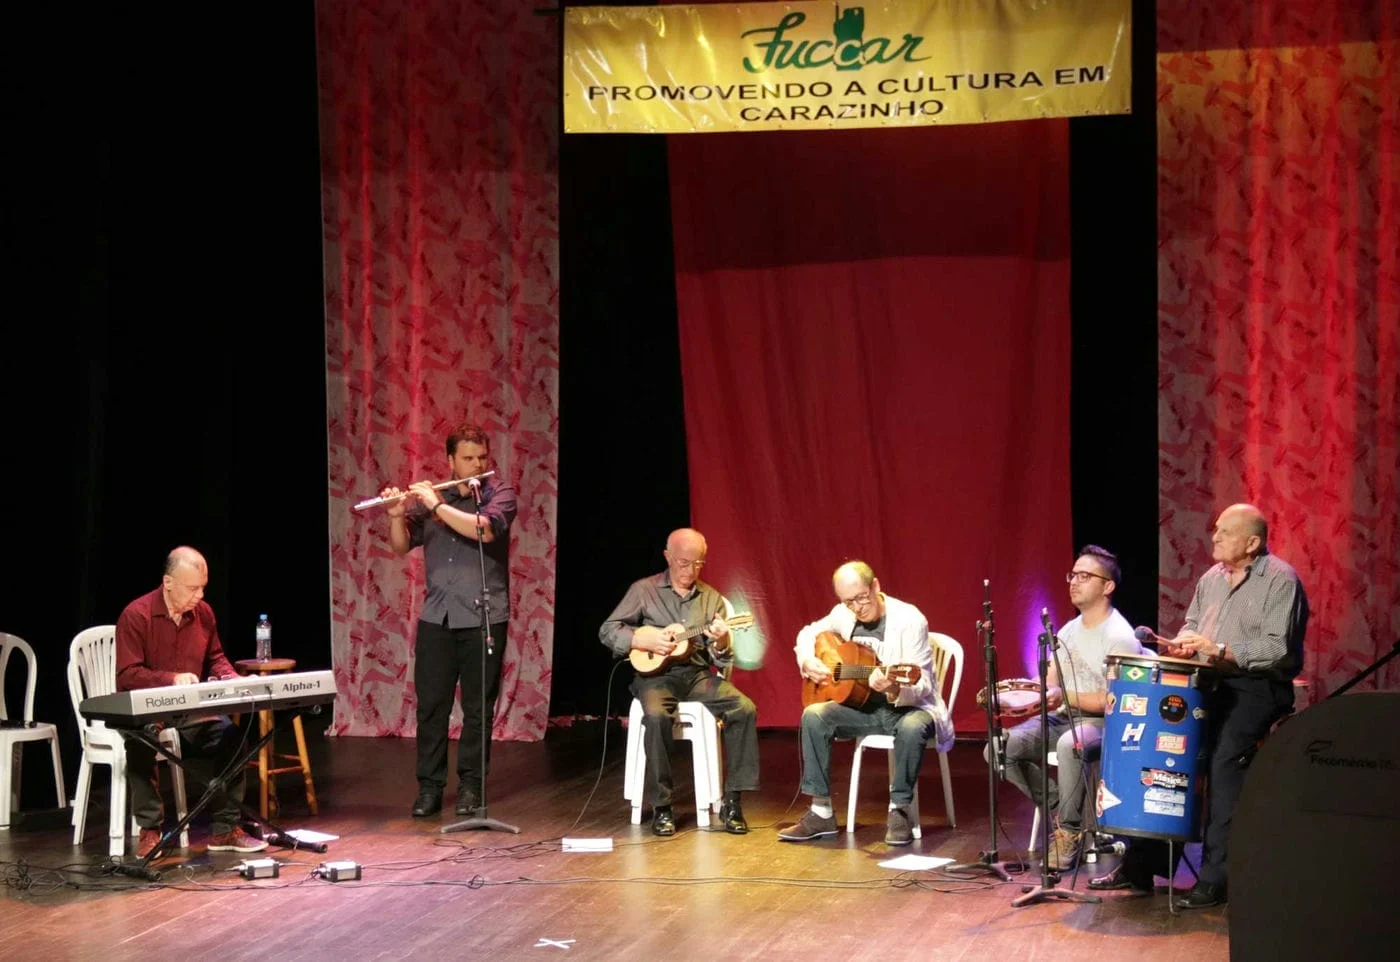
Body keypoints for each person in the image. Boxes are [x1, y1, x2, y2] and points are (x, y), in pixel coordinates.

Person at [1090, 504, 1308, 907]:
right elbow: (1192, 625)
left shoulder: (1281, 580)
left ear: (1252, 542)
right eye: (1216, 530)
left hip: (1256, 686)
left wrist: (1220, 648)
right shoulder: (1211, 579)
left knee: (1223, 765)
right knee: (1164, 756)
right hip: (1207, 682)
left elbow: (1277, 648)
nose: (1215, 537)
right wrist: (1185, 643)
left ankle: (1216, 878)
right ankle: (1141, 868)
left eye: (1225, 532)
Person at [381, 422, 518, 818]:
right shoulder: (432, 499)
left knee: (478, 709)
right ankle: (430, 788)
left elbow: (485, 531)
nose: (477, 465)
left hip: (483, 617)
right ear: (451, 461)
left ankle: (472, 786)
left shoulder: (500, 494)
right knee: (432, 707)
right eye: (468, 458)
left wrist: (436, 506)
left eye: (482, 457)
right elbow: (400, 546)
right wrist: (396, 515)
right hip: (436, 617)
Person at [989, 545, 1145, 870]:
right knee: (999, 748)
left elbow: (1114, 701)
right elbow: (1049, 682)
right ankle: (1063, 808)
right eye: (1072, 575)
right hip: (1064, 717)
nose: (1074, 581)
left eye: (1084, 576)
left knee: (1069, 743)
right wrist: (1019, 694)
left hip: (1105, 723)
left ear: (1107, 586)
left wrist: (1063, 696)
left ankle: (1070, 832)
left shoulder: (1120, 636)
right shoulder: (1067, 631)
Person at [779, 561, 954, 845]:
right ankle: (821, 811)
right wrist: (807, 660)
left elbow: (922, 684)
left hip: (910, 708)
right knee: (814, 715)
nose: (857, 608)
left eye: (861, 598)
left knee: (912, 727)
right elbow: (808, 632)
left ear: (875, 586)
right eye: (849, 602)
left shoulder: (910, 620)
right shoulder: (843, 614)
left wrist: (894, 686)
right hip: (865, 709)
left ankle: (900, 809)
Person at [600, 528, 759, 836]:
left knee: (744, 708)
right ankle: (662, 806)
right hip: (655, 677)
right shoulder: (644, 590)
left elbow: (721, 660)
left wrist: (721, 640)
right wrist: (641, 639)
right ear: (668, 557)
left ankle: (733, 802)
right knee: (657, 715)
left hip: (696, 675)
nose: (690, 570)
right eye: (684, 563)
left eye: (698, 563)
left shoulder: (711, 598)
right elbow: (608, 630)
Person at [115, 546, 267, 857]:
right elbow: (127, 674)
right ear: (168, 583)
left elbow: (216, 657)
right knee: (141, 739)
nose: (200, 595)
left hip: (188, 710)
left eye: (203, 587)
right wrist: (172, 678)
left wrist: (232, 678)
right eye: (192, 588)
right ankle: (150, 829)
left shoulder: (204, 613)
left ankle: (225, 829)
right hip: (148, 708)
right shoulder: (136, 615)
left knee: (232, 737)